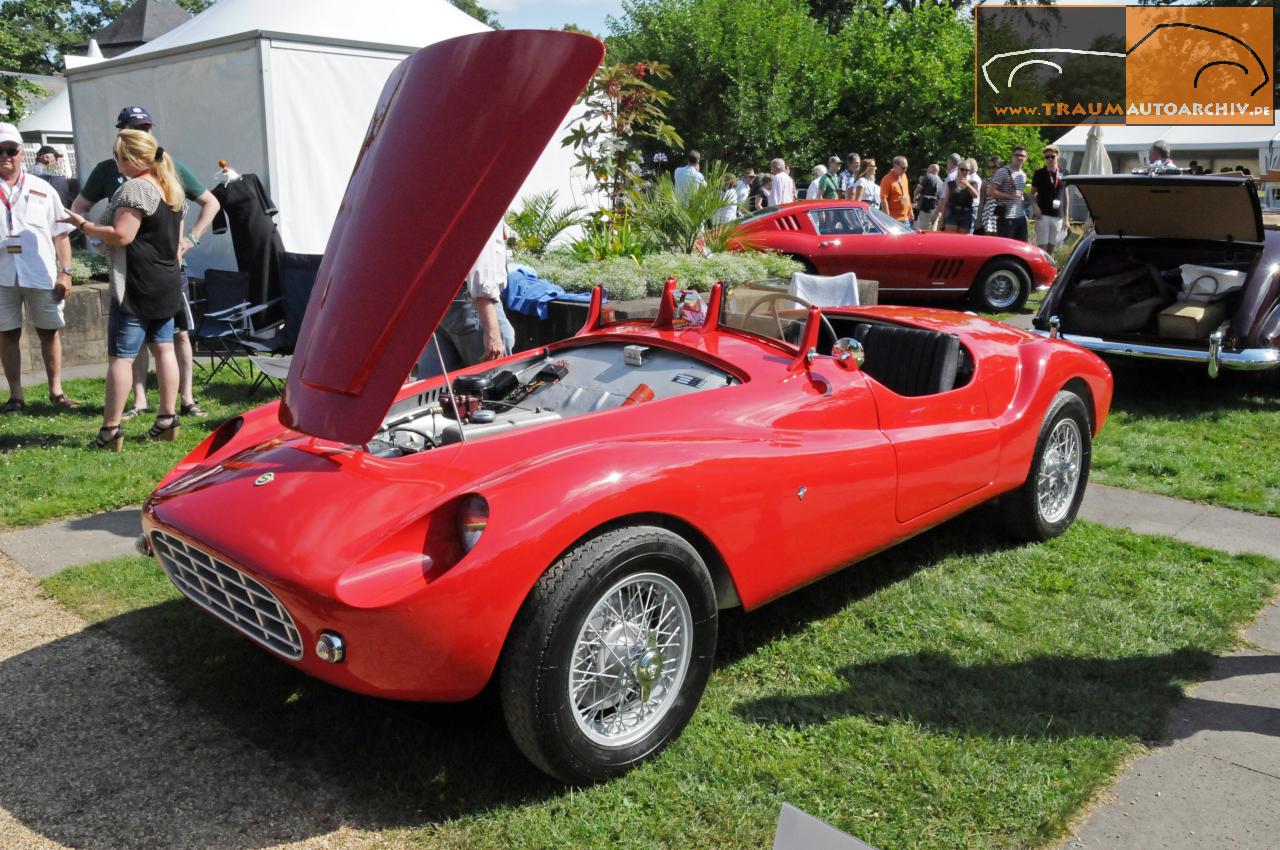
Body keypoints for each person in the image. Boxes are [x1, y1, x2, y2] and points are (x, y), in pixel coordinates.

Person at [72, 106, 220, 419]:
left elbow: (123, 234)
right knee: (156, 344)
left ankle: (121, 425)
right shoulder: (147, 176)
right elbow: (87, 210)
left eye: (145, 127)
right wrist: (100, 242)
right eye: (135, 128)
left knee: (139, 349)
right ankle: (156, 410)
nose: (142, 132)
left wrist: (190, 240)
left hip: (150, 277)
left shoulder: (148, 179)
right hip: (153, 274)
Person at [62, 130, 186, 449]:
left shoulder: (136, 188)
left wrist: (84, 226)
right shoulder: (171, 185)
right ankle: (167, 419)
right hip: (166, 281)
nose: (115, 162)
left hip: (136, 284)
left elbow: (122, 235)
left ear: (131, 158)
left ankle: (110, 431)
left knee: (121, 358)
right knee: (165, 350)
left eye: (117, 156)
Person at [0, 123, 78, 414]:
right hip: (2, 274)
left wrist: (65, 271)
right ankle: (16, 396)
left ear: (21, 152)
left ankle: (56, 390)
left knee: (49, 331)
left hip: (40, 272)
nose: (5, 156)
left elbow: (61, 235)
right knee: (7, 333)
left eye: (11, 150)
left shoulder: (43, 188)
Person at [419, 222, 516, 378]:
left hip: (435, 294)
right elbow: (481, 263)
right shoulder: (486, 202)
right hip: (470, 301)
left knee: (437, 383)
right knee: (492, 381)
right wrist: (492, 330)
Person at [1031, 144, 1070, 252]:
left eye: (1052, 156)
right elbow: (1031, 194)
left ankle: (1050, 268)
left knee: (1052, 247)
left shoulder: (1064, 173)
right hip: (1042, 214)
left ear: (1058, 156)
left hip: (1058, 216)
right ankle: (1041, 268)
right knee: (1042, 247)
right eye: (1047, 157)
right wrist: (1035, 207)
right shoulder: (1039, 173)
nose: (1049, 159)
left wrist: (1066, 218)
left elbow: (1066, 196)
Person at [988, 146, 1029, 241]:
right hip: (1006, 217)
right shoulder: (1003, 171)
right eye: (1017, 155)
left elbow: (1019, 195)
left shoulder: (1023, 175)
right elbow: (990, 191)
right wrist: (1010, 196)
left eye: (1022, 155)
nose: (1019, 157)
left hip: (1020, 216)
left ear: (1026, 158)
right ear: (1012, 157)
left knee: (1022, 246)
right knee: (1006, 247)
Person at [935, 158, 979, 233]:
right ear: (958, 169)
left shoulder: (973, 183)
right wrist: (942, 219)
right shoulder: (951, 183)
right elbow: (945, 202)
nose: (964, 172)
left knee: (962, 240)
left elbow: (976, 196)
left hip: (966, 214)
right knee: (950, 237)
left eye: (967, 170)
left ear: (969, 171)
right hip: (952, 212)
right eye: (962, 169)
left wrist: (968, 185)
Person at [879, 155, 912, 225]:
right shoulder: (887, 180)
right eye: (903, 168)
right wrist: (887, 218)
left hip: (905, 218)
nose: (905, 170)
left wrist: (911, 211)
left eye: (906, 167)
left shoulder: (904, 176)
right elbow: (883, 199)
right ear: (895, 166)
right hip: (894, 220)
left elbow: (907, 194)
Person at [913, 164, 945, 231]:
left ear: (931, 169)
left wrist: (915, 199)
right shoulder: (941, 182)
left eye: (928, 169)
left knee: (922, 232)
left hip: (926, 210)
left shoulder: (928, 176)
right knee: (932, 233)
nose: (927, 171)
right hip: (936, 212)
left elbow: (917, 190)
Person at [975, 155, 1001, 235]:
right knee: (988, 236)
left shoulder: (1004, 181)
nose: (992, 169)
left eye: (994, 167)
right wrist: (978, 218)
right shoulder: (986, 182)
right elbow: (982, 200)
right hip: (988, 212)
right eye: (989, 167)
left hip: (1001, 211)